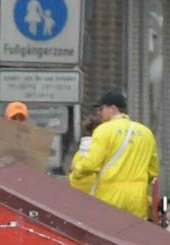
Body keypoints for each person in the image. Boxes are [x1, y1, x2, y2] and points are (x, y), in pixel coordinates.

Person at [67, 89, 158, 220]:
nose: (99, 113)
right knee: (134, 231)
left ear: (113, 109)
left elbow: (90, 165)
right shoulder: (146, 133)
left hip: (110, 195)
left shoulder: (103, 130)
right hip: (138, 198)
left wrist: (76, 170)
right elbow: (153, 171)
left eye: (101, 108)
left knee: (108, 229)